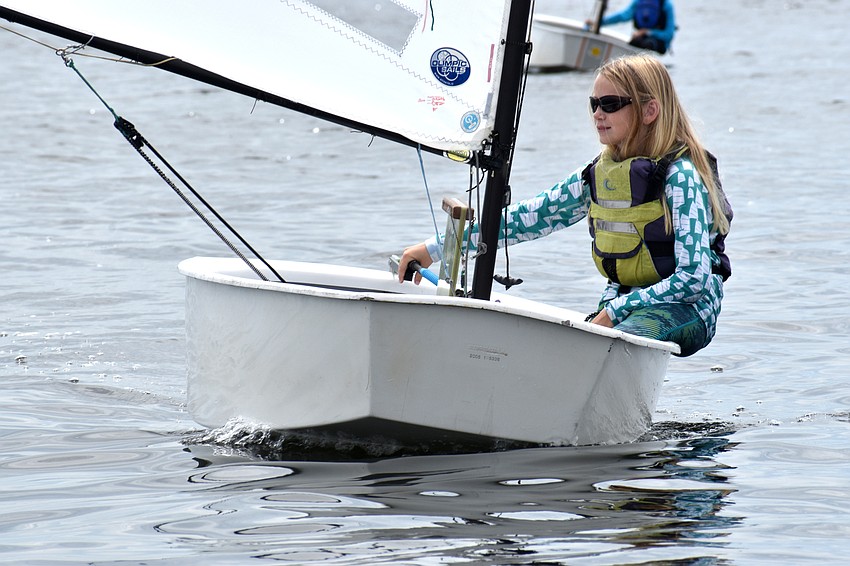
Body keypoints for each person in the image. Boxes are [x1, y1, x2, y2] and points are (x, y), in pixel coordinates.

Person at [397, 54, 732, 357]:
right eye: (594, 104)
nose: (598, 114)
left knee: (612, 343)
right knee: (588, 344)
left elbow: (694, 278)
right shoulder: (596, 176)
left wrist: (614, 313)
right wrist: (436, 248)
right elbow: (528, 219)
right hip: (624, 301)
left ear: (649, 110)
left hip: (688, 308)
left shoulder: (681, 177)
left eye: (611, 104)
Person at [592, 0, 676, 55]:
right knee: (633, 43)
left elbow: (669, 34)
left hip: (658, 42)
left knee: (648, 43)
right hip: (641, 39)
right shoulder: (638, 2)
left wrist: (647, 32)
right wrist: (597, 22)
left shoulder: (666, 5)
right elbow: (622, 16)